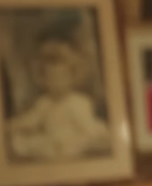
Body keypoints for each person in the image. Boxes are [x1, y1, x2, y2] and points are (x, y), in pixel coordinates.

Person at [8, 23, 111, 160]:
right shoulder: (44, 102)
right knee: (31, 143)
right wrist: (15, 125)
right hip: (51, 141)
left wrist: (97, 135)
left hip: (74, 139)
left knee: (85, 141)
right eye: (51, 78)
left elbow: (88, 125)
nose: (56, 83)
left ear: (72, 77)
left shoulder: (79, 101)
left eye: (62, 78)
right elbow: (31, 120)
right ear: (43, 80)